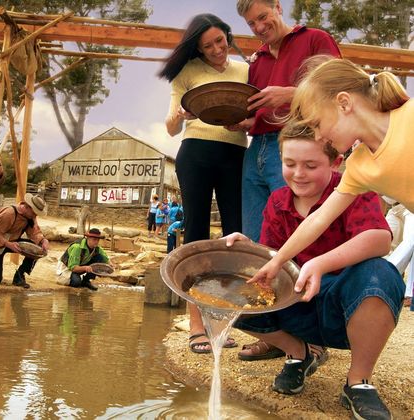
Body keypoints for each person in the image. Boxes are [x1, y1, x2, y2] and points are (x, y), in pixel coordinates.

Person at [226, 121, 405, 419]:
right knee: (235, 290)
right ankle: (299, 354)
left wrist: (319, 263)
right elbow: (271, 260)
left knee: (381, 274)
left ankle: (358, 381)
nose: (298, 174)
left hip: (346, 305)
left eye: (310, 165)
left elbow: (379, 239)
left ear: (336, 162)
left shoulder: (354, 189)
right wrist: (246, 248)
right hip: (298, 304)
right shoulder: (278, 201)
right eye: (289, 163)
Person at [249, 58, 412, 302]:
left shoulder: (409, 116)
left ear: (344, 103)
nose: (318, 135)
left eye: (317, 123)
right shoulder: (359, 165)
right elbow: (319, 218)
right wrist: (277, 261)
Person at [158, 13, 248, 353]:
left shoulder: (245, 70)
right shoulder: (187, 73)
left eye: (219, 41)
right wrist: (180, 114)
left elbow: (253, 118)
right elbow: (169, 128)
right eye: (206, 46)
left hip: (235, 155)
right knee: (195, 233)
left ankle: (224, 322)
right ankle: (196, 324)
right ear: (197, 47)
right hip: (195, 152)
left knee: (235, 235)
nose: (215, 50)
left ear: (228, 36)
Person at [228, 0, 341, 242]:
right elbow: (261, 112)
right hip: (256, 149)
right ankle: (258, 280)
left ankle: (298, 280)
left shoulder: (315, 39)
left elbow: (339, 89)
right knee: (255, 236)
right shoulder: (257, 61)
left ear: (278, 7)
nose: (259, 26)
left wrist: (291, 93)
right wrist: (244, 123)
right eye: (251, 23)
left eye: (263, 16)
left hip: (299, 145)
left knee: (295, 232)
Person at [0, 193, 49, 288]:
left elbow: (34, 232)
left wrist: (43, 240)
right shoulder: (9, 213)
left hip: (13, 241)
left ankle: (20, 275)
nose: (35, 215)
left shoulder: (30, 217)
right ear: (27, 207)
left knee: (38, 249)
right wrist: (7, 244)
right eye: (34, 212)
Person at [384, 200, 414, 309]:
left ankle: (409, 294)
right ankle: (388, 282)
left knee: (410, 243)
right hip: (394, 208)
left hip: (410, 207)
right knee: (384, 245)